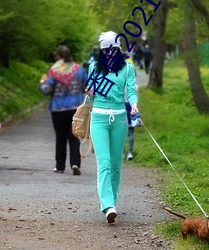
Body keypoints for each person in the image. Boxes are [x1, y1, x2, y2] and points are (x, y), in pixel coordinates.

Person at [86, 31, 138, 223]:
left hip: (120, 119)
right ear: (101, 50)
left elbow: (131, 90)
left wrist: (134, 104)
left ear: (118, 49)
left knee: (116, 164)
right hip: (98, 118)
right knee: (105, 163)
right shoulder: (94, 67)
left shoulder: (127, 68)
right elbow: (90, 97)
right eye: (106, 49)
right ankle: (108, 205)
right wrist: (90, 92)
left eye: (113, 49)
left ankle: (112, 201)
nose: (109, 52)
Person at [39, 45, 88, 175]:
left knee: (60, 138)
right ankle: (75, 163)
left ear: (58, 57)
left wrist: (42, 83)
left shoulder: (54, 71)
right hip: (75, 109)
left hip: (58, 109)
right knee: (74, 137)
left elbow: (47, 90)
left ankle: (60, 166)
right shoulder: (79, 70)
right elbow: (87, 86)